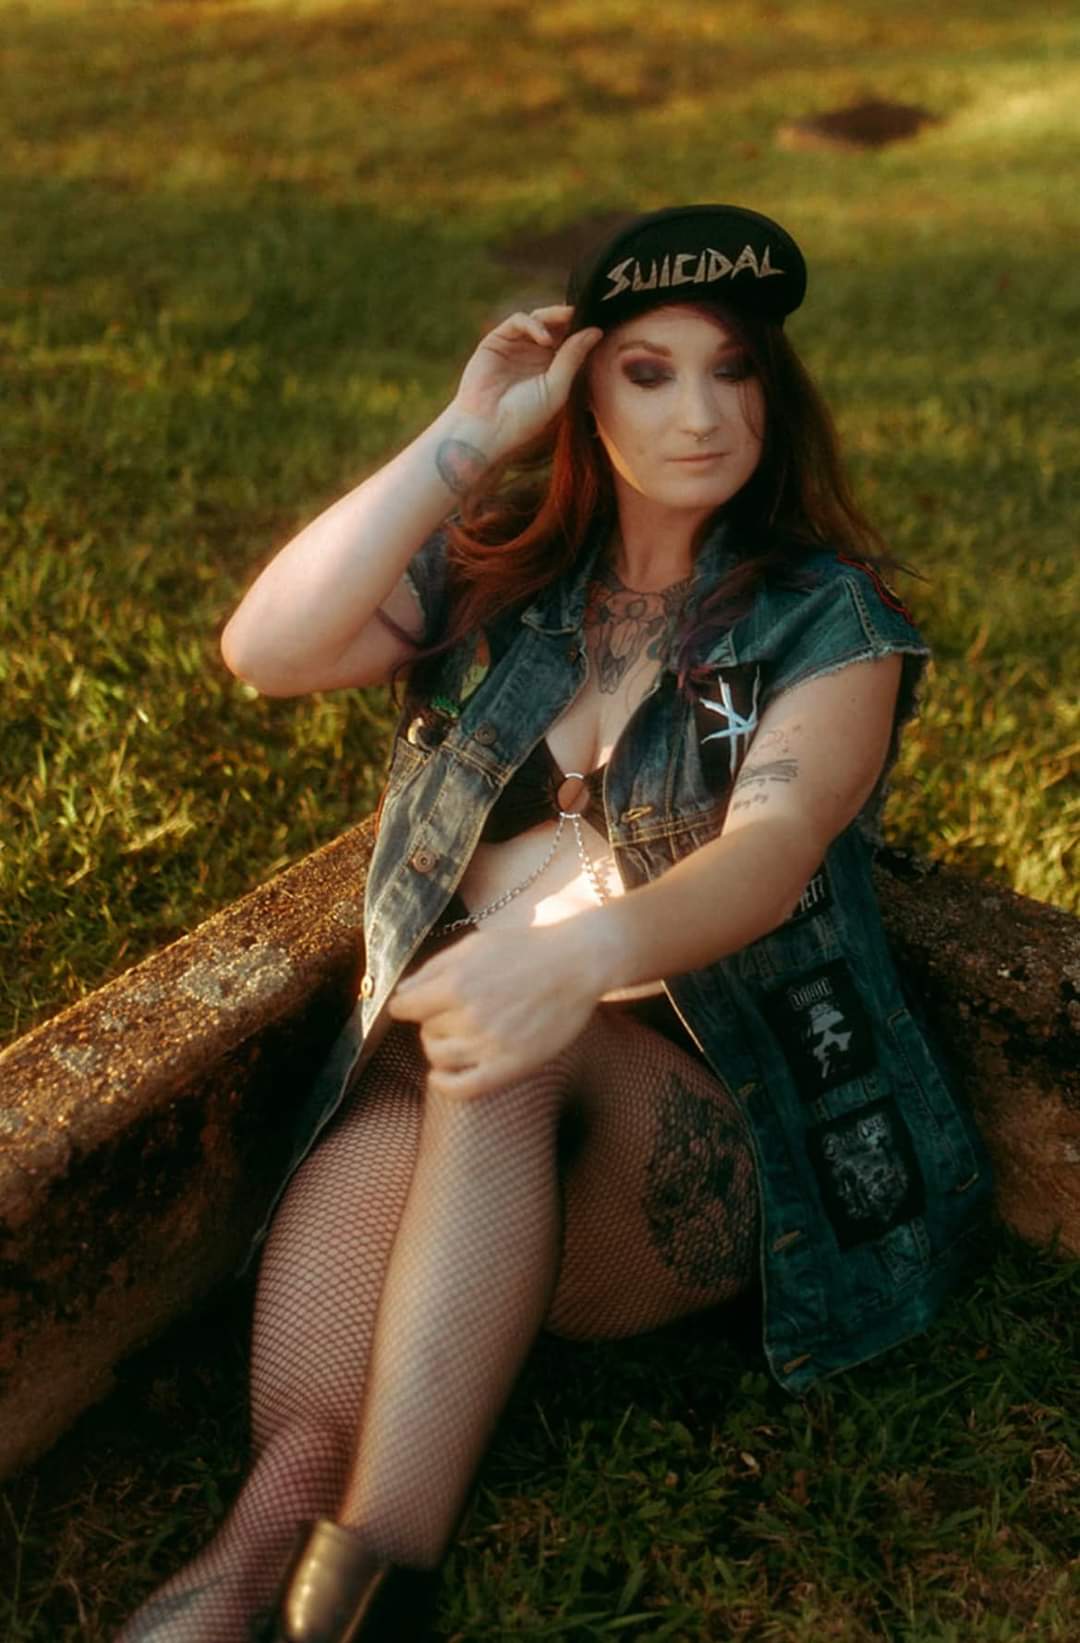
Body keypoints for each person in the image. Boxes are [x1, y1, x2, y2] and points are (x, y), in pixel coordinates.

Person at [117, 205, 991, 1642]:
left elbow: (770, 853)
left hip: (722, 1137)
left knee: (509, 1046)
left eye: (735, 369)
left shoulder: (826, 624)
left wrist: (571, 962)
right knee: (295, 1456)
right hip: (464, 1111)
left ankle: (379, 1582)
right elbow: (266, 649)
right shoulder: (503, 579)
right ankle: (253, 1563)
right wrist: (468, 434)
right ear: (583, 398)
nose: (704, 413)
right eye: (648, 372)